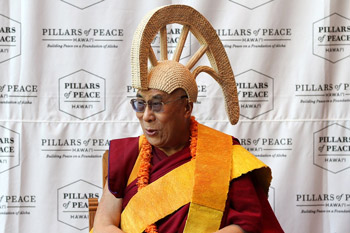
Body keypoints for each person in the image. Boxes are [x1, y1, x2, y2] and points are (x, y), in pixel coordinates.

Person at [92, 4, 284, 233]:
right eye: (140, 104)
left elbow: (246, 224)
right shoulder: (127, 155)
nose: (146, 116)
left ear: (186, 107)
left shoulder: (223, 154)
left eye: (157, 104)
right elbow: (103, 225)